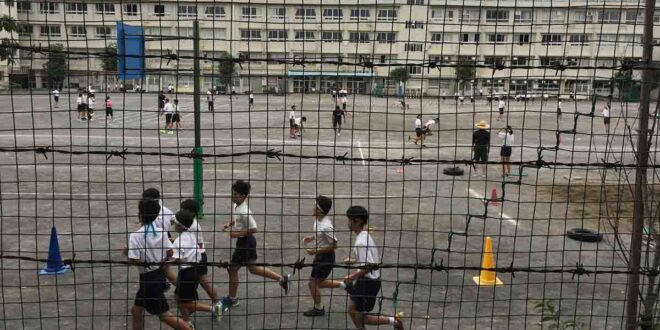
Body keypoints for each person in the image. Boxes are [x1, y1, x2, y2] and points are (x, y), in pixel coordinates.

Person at [321, 206, 404, 330]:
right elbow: (370, 259)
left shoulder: (361, 242)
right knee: (352, 310)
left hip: (368, 283)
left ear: (357, 221)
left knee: (362, 317)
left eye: (349, 220)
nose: (347, 223)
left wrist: (351, 276)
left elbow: (369, 266)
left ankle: (394, 321)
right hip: (366, 281)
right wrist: (355, 260)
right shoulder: (364, 235)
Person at [220, 180, 292, 309]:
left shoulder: (244, 211)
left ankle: (232, 299)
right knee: (253, 268)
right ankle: (282, 279)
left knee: (233, 269)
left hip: (245, 242)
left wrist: (236, 234)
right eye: (233, 193)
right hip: (247, 242)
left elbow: (254, 229)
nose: (233, 196)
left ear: (243, 196)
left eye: (235, 194)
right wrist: (229, 224)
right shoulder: (236, 205)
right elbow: (237, 219)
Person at [124, 198, 191, 330]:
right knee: (136, 311)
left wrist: (128, 252)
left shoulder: (135, 236)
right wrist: (157, 256)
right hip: (158, 275)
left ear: (140, 215)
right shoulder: (161, 232)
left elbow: (135, 260)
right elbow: (170, 252)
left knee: (164, 315)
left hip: (148, 280)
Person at [171, 209, 223, 325]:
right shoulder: (191, 235)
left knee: (184, 302)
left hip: (186, 273)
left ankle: (213, 309)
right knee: (178, 298)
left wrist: (165, 258)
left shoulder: (178, 241)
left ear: (180, 226)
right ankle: (187, 322)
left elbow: (176, 259)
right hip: (195, 269)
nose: (173, 224)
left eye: (175, 223)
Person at [180, 199, 223, 308]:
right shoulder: (190, 223)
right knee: (203, 281)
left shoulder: (192, 226)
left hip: (198, 257)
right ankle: (217, 303)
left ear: (192, 213)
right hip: (197, 256)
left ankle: (217, 303)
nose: (182, 213)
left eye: (184, 210)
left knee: (203, 281)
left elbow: (197, 244)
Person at [302, 196, 338, 317]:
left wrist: (315, 251)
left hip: (326, 258)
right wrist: (312, 237)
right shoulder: (319, 220)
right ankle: (344, 285)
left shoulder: (327, 226)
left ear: (320, 210)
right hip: (320, 256)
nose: (313, 208)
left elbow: (334, 245)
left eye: (315, 207)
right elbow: (320, 234)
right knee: (316, 283)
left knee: (313, 284)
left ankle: (319, 309)